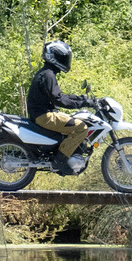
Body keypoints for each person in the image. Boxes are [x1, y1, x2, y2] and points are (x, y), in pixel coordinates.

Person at [27, 40, 93, 174]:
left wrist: (83, 99)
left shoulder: (47, 73)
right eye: (63, 58)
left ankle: (64, 154)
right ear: (54, 57)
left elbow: (60, 96)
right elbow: (59, 100)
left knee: (74, 122)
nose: (66, 61)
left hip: (43, 114)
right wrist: (83, 103)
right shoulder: (48, 75)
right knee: (81, 128)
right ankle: (60, 160)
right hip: (44, 116)